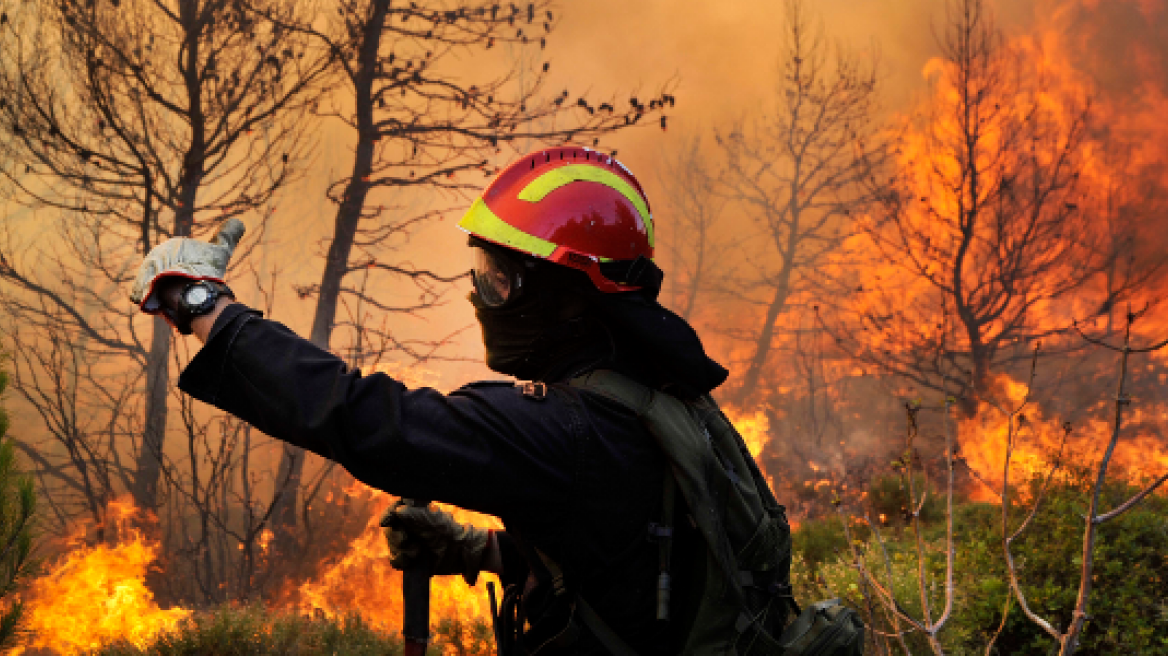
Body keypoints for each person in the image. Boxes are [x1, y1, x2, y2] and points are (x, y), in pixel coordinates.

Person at [130, 147, 794, 655]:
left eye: (498, 281)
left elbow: (371, 420)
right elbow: (630, 561)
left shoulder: (567, 429)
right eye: (482, 273)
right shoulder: (662, 394)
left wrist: (206, 308)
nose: (481, 296)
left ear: (564, 292)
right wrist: (473, 550)